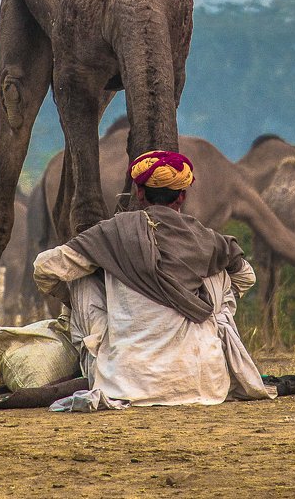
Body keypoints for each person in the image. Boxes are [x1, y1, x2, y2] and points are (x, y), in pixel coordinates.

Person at [33, 149, 276, 408]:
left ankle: (105, 349)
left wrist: (77, 300)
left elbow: (44, 267)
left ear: (139, 193)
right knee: (218, 277)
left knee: (82, 276)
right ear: (182, 196)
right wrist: (212, 306)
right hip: (205, 382)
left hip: (125, 383)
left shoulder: (111, 233)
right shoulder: (209, 240)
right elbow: (246, 276)